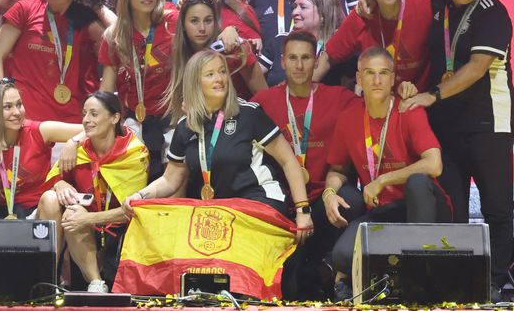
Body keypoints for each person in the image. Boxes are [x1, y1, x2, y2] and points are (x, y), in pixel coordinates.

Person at [402, 0, 512, 293]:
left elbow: (476, 69)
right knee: (453, 207)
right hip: (447, 125)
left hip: (488, 124)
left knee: (497, 208)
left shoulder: (493, 13)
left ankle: (495, 282)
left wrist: (431, 94)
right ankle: (458, 280)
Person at [126, 51, 313, 234]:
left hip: (259, 202)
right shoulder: (186, 126)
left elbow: (288, 161)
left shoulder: (248, 114)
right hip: (218, 210)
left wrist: (302, 210)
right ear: (195, 83)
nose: (219, 78)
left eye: (222, 71)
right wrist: (140, 195)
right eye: (210, 74)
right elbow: (170, 179)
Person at [323, 47, 449, 301]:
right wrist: (328, 193)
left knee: (417, 182)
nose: (377, 81)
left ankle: (419, 275)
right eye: (370, 73)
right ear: (359, 79)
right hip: (384, 212)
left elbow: (434, 164)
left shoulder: (409, 110)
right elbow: (337, 170)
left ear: (394, 79)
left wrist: (383, 180)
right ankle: (369, 275)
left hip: (422, 208)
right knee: (341, 255)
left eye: (383, 73)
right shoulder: (348, 118)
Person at [251, 31, 357, 300]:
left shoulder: (340, 98)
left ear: (317, 61)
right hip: (282, 206)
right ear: (283, 61)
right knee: (294, 286)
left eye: (306, 58)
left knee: (351, 200)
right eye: (293, 58)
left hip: (323, 202)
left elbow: (378, 106)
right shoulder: (263, 102)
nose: (299, 65)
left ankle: (335, 268)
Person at [37, 91, 148, 292]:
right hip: (83, 227)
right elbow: (53, 179)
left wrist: (87, 218)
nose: (86, 120)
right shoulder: (78, 149)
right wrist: (61, 184)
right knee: (51, 199)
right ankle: (67, 279)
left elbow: (132, 211)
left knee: (75, 215)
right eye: (84, 114)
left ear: (114, 118)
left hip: (118, 228)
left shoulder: (134, 152)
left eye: (94, 114)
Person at [0, 0, 105, 123]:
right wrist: (1, 103)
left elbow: (118, 37)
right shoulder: (26, 9)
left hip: (69, 122)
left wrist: (96, 6)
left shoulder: (84, 22)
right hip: (26, 120)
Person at [317, 0, 434, 91]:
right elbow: (329, 57)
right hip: (376, 104)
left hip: (415, 104)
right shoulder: (362, 15)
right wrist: (301, 91)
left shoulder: (423, 7)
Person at [0, 79, 83, 219]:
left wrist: (73, 142)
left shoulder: (38, 132)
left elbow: (91, 130)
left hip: (38, 212)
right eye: (8, 107)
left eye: (19, 104)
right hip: (0, 216)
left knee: (51, 199)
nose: (17, 112)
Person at [101, 0, 177, 179]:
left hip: (172, 119)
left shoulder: (173, 22)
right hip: (135, 121)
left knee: (173, 183)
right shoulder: (115, 35)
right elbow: (106, 91)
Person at [167, 0, 265, 110]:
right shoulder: (177, 52)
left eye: (208, 20)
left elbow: (264, 96)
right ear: (183, 24)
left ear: (215, 22)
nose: (202, 28)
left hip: (237, 119)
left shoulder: (234, 49)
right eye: (194, 21)